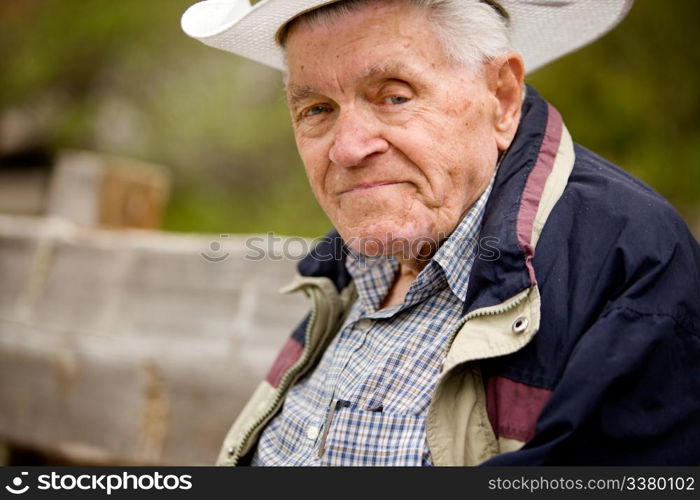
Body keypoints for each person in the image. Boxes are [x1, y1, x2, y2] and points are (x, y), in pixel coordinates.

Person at [181, 0, 700, 465]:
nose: (347, 148)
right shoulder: (356, 262)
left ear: (501, 98)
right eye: (317, 109)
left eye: (393, 96)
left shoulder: (631, 261)